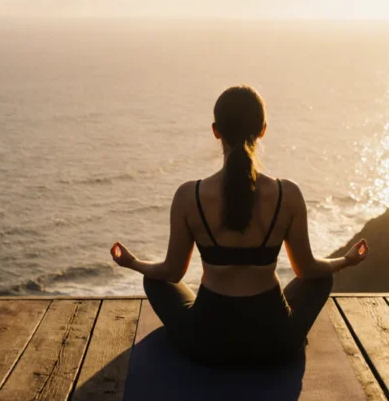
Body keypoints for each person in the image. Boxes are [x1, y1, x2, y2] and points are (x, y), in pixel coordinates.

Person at [109, 85, 369, 366]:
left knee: (154, 280)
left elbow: (171, 272)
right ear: (263, 129)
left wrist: (134, 263)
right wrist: (346, 260)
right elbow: (306, 269)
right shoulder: (287, 194)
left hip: (206, 342)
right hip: (275, 342)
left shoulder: (189, 196)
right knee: (323, 276)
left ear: (216, 130)